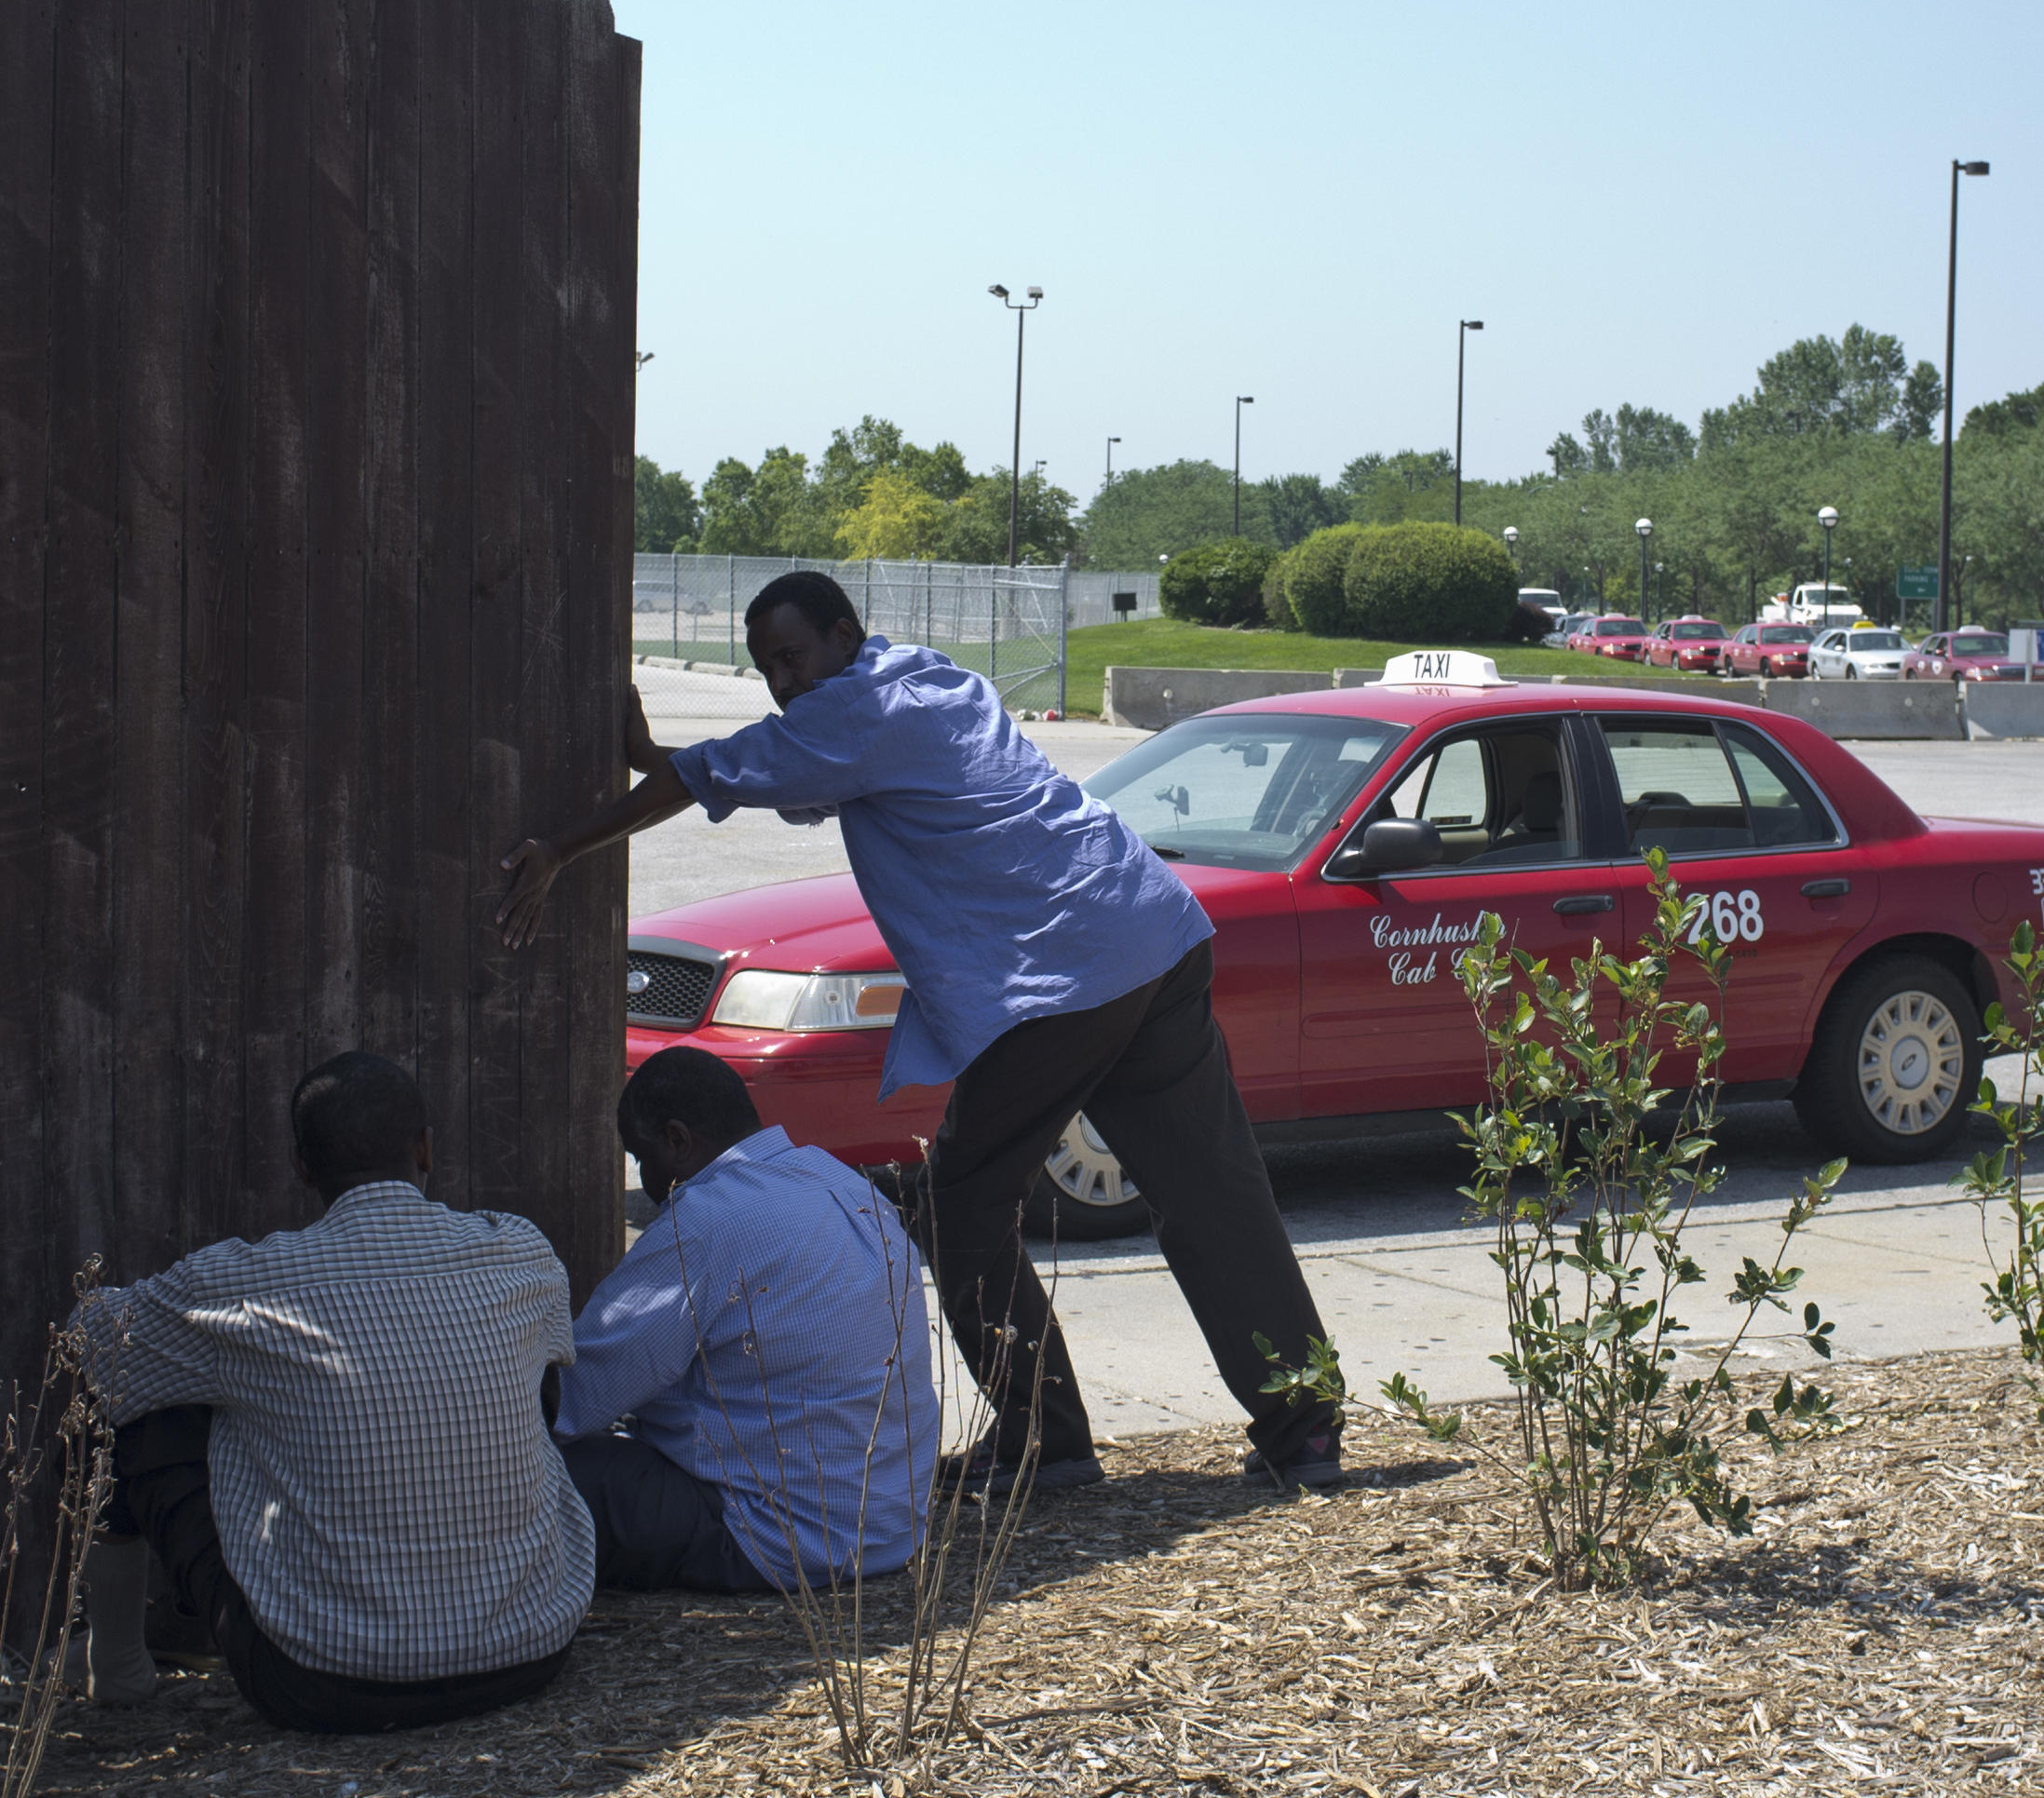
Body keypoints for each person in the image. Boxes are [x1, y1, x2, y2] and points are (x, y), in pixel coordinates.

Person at [496, 571, 1342, 1491]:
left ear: (844, 634)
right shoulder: (929, 678)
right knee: (1212, 1192)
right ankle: (1304, 1429)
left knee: (960, 1205)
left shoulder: (852, 714)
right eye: (767, 667)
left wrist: (562, 848)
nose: (783, 680)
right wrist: (654, 756)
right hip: (1150, 927)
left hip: (1065, 972)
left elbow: (713, 773)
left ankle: (1044, 1440)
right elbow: (766, 770)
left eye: (793, 656)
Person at [70, 1053, 593, 1732]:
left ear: (302, 1167)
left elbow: (92, 1343)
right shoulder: (521, 1251)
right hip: (533, 1649)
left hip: (322, 1684)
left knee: (132, 1406)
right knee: (529, 1371)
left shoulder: (241, 1283)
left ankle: (114, 1665)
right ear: (426, 1149)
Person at [555, 1048, 939, 1590]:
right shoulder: (842, 1182)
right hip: (893, 1526)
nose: (645, 1179)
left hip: (775, 1538)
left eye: (642, 1157)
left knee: (525, 1469)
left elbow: (574, 1396)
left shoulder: (705, 1220)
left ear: (677, 1140)